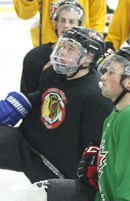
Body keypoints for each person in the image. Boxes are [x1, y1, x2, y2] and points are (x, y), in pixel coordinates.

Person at [26, 46, 130, 201]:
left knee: (41, 194)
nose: (103, 76)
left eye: (111, 72)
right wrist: (102, 165)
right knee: (43, 193)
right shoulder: (121, 113)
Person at [0, 27, 112, 184]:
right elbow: (45, 97)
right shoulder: (52, 71)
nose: (63, 52)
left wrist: (81, 187)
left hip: (56, 170)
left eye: (71, 49)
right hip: (29, 145)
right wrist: (21, 102)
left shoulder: (96, 97)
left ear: (88, 57)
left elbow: (94, 146)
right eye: (64, 45)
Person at [20, 0, 85, 94]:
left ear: (80, 26)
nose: (66, 26)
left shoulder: (86, 61)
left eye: (71, 22)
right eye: (62, 20)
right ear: (56, 24)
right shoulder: (34, 58)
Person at [13, 0, 106, 47]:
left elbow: (97, 19)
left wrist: (92, 46)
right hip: (47, 48)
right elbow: (24, 14)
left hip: (79, 49)